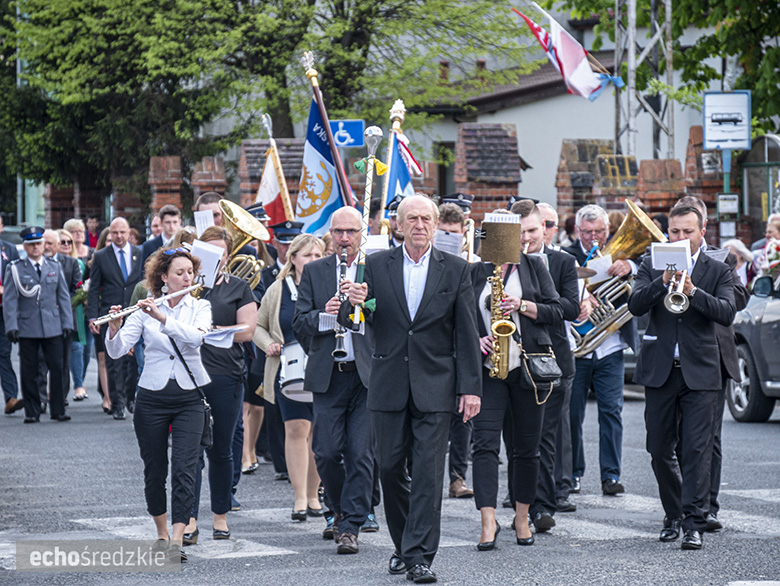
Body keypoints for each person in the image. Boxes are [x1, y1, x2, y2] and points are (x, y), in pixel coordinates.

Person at [342, 194, 482, 583]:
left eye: (426, 218)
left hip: (436, 386)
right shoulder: (375, 264)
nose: (419, 225)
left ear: (435, 225)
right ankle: (404, 545)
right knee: (389, 469)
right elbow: (353, 317)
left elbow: (467, 333)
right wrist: (353, 302)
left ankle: (420, 556)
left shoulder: (455, 270)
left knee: (427, 474)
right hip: (387, 383)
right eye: (412, 219)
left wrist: (471, 388)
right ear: (398, 226)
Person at [628, 205, 736, 550]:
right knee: (659, 449)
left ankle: (693, 523)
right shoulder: (651, 262)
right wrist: (662, 284)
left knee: (696, 450)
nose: (680, 238)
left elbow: (727, 311)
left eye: (687, 232)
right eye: (674, 232)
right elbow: (635, 305)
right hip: (661, 369)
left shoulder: (717, 269)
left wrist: (692, 291)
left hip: (701, 371)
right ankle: (673, 513)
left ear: (702, 232)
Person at [104, 248, 211, 562]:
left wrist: (162, 318)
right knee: (155, 470)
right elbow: (118, 350)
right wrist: (114, 330)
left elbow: (196, 339)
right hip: (151, 395)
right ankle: (161, 533)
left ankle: (178, 538)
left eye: (190, 272)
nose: (186, 278)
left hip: (190, 396)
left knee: (185, 468)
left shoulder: (200, 306)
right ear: (163, 277)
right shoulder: (142, 310)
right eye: (179, 273)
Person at [469, 209, 563, 551]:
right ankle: (488, 520)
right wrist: (476, 338)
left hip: (526, 370)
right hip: (488, 371)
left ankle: (522, 516)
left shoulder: (535, 267)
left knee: (527, 449)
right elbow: (460, 318)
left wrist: (522, 305)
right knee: (484, 446)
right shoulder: (475, 271)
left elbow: (556, 311)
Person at [294, 211, 374, 554]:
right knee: (326, 452)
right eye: (339, 231)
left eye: (351, 231)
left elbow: (388, 315)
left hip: (367, 376)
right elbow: (299, 322)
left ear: (362, 233)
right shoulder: (315, 271)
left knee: (361, 454)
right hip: (330, 374)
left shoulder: (377, 268)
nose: (345, 238)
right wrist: (327, 315)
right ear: (330, 234)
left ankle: (351, 524)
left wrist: (364, 303)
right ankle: (339, 509)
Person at [510, 201, 580, 531]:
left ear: (545, 229)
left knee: (545, 436)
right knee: (516, 438)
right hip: (511, 358)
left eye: (533, 231)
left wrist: (526, 306)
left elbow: (569, 307)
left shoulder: (563, 262)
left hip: (551, 361)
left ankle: (541, 505)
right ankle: (520, 500)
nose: (527, 238)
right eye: (520, 232)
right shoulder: (501, 262)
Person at [184, 227, 257, 544]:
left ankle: (220, 516)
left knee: (222, 450)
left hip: (226, 374)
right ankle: (187, 519)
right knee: (190, 452)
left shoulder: (239, 287)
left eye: (220, 252)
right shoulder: (186, 287)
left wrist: (213, 329)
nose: (215, 258)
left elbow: (248, 331)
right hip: (189, 375)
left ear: (228, 255)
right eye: (207, 252)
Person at [564, 204, 636, 496]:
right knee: (572, 413)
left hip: (610, 347)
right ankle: (573, 473)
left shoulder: (621, 253)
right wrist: (581, 299)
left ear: (608, 230)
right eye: (587, 232)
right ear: (577, 230)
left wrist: (631, 266)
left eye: (599, 232)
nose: (593, 238)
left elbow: (647, 277)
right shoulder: (565, 256)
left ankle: (611, 475)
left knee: (612, 412)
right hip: (577, 347)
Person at [254, 234, 324, 522]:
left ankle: (313, 495)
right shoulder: (277, 289)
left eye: (318, 256)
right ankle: (299, 498)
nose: (312, 262)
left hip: (322, 370)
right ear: (293, 258)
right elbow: (257, 325)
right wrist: (268, 343)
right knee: (296, 430)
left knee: (319, 435)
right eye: (307, 256)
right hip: (288, 370)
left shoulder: (328, 287)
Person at [3, 226, 73, 423]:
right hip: (28, 326)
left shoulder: (54, 267)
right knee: (30, 370)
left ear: (44, 246)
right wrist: (11, 326)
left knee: (57, 368)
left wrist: (67, 323)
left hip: (53, 325)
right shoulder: (16, 269)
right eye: (31, 245)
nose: (35, 248)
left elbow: (63, 297)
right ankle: (32, 411)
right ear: (25, 247)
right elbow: (10, 300)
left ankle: (58, 409)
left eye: (38, 244)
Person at [436, 202, 476, 498]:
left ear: (463, 232)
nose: (448, 236)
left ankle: (458, 477)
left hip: (462, 348)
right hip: (435, 349)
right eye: (443, 232)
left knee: (463, 418)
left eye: (453, 232)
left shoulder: (473, 264)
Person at [87, 217, 143, 420]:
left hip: (134, 313)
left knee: (132, 361)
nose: (119, 236)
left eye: (123, 232)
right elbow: (94, 289)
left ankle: (129, 398)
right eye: (115, 232)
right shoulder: (101, 256)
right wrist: (93, 316)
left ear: (129, 233)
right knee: (114, 362)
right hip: (110, 313)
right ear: (110, 233)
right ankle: (117, 404)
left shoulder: (139, 253)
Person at [39, 230, 81, 406]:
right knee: (40, 362)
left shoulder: (71, 263)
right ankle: (40, 400)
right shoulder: (35, 264)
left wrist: (61, 305)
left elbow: (77, 290)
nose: (47, 247)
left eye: (50, 243)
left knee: (63, 361)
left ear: (57, 245)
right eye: (44, 243)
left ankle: (59, 398)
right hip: (40, 319)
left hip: (64, 319)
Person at [58, 228, 89, 402]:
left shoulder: (76, 263)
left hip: (75, 310)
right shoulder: (52, 262)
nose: (67, 245)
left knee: (79, 349)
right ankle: (57, 391)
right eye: (63, 242)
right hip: (56, 313)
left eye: (69, 242)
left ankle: (78, 384)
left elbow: (78, 288)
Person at [0, 215, 22, 415]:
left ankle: (11, 397)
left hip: (3, 310)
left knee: (3, 353)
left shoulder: (10, 249)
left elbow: (17, 277)